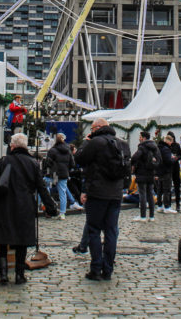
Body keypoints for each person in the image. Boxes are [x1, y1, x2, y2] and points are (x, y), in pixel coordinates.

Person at [0, 133, 56, 284]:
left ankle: (3, 275)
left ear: (13, 146)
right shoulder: (33, 163)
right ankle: (19, 275)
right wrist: (50, 206)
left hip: (5, 204)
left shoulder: (5, 161)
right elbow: (41, 187)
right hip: (24, 205)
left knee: (2, 240)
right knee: (21, 241)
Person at [74, 118, 130, 281]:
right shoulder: (122, 144)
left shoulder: (96, 142)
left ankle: (96, 268)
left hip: (97, 192)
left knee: (94, 230)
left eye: (91, 129)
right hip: (115, 193)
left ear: (98, 128)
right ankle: (108, 269)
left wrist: (85, 143)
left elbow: (79, 159)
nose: (90, 132)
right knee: (111, 231)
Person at [47, 133, 80, 219]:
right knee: (62, 193)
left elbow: (48, 163)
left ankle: (45, 206)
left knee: (46, 186)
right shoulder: (68, 150)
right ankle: (62, 213)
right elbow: (72, 164)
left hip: (54, 174)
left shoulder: (52, 150)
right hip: (64, 173)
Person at [131, 131, 161, 221]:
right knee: (150, 194)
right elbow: (159, 159)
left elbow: (135, 157)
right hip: (151, 173)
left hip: (141, 173)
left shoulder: (142, 147)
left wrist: (133, 164)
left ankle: (143, 216)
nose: (139, 138)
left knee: (142, 195)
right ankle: (151, 216)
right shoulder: (154, 147)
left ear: (143, 138)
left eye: (140, 137)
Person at [156, 133, 177, 214]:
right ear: (169, 141)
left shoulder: (159, 148)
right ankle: (167, 207)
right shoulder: (166, 149)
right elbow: (168, 161)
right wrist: (174, 159)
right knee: (166, 190)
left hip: (159, 171)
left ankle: (160, 206)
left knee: (159, 190)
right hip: (166, 171)